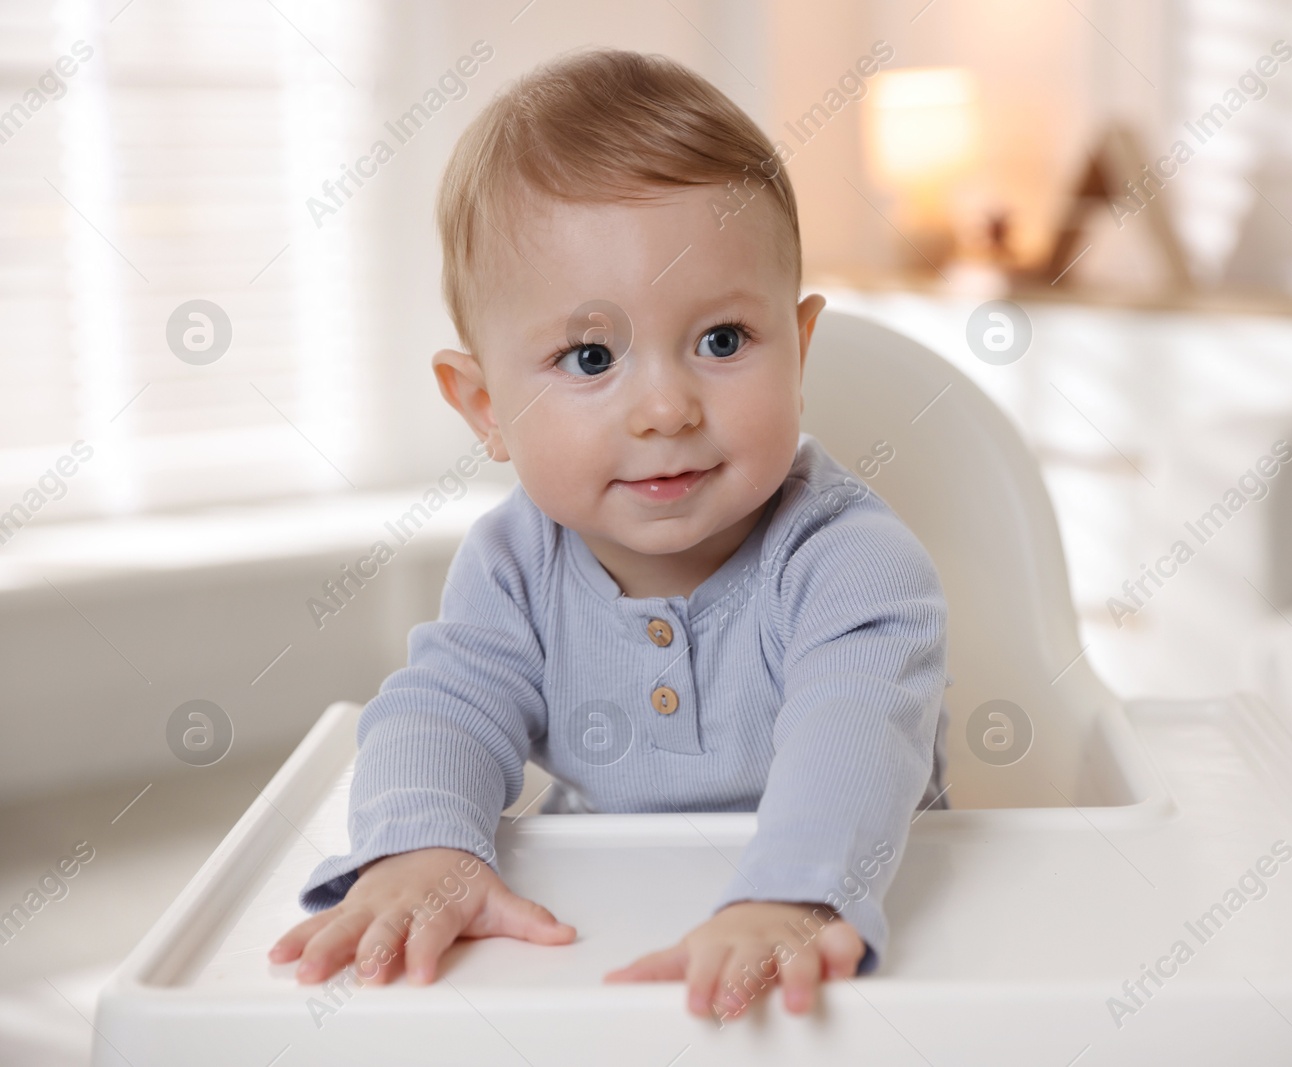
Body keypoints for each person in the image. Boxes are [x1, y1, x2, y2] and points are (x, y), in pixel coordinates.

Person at [268, 45, 948, 1025]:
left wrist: (790, 894)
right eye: (590, 356)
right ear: (483, 403)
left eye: (721, 340)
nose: (665, 406)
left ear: (797, 353)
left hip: (843, 943)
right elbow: (444, 707)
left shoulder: (851, 563)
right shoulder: (513, 565)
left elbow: (856, 728)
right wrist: (423, 843)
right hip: (605, 944)